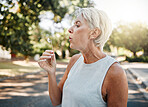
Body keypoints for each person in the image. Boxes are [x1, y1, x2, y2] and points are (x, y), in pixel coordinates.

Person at [38, 7, 128, 107]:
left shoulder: (114, 72)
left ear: (94, 33)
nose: (70, 29)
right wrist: (51, 73)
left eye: (77, 25)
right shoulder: (74, 60)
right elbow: (57, 100)